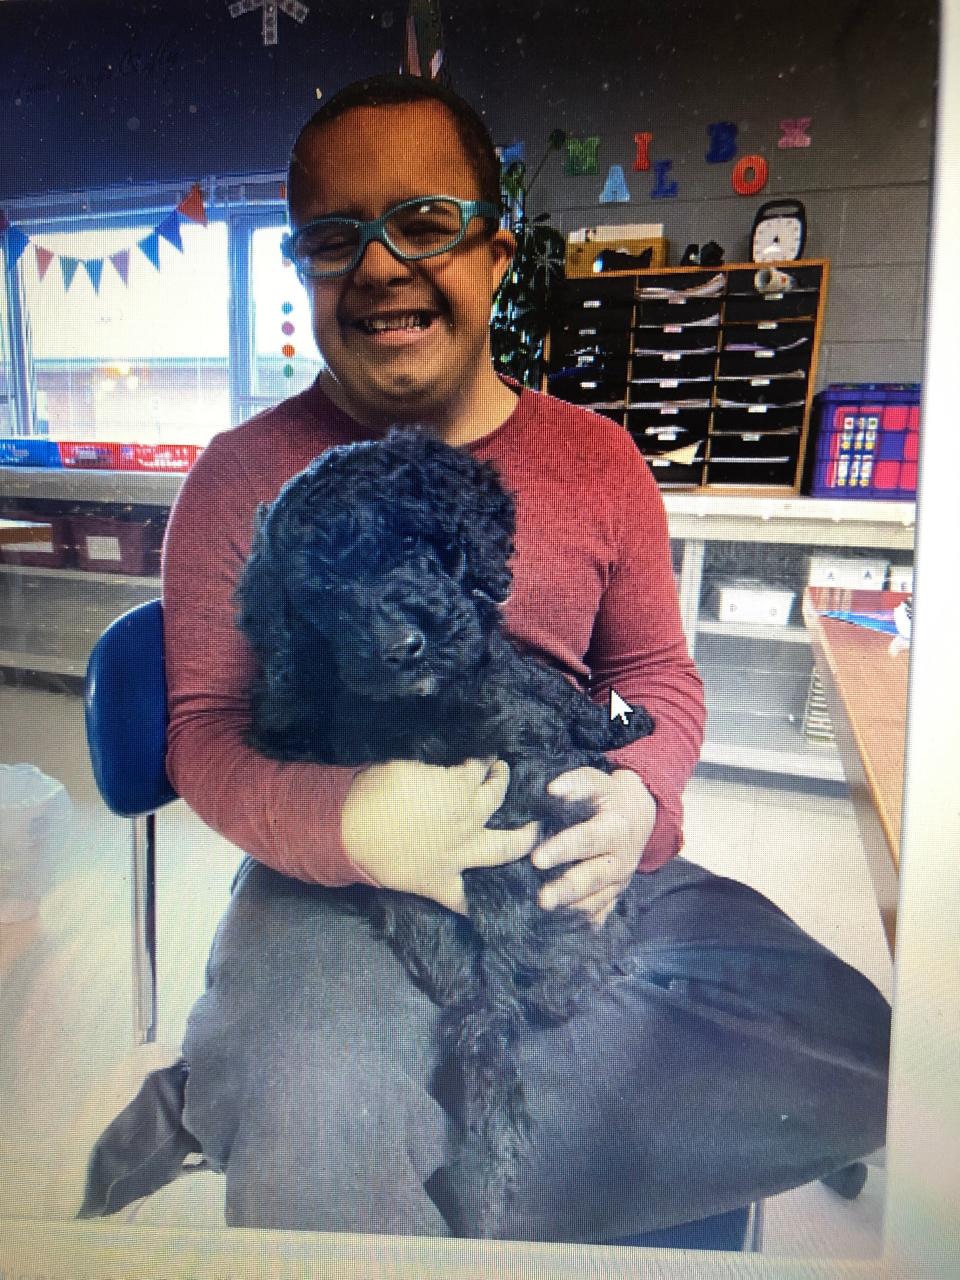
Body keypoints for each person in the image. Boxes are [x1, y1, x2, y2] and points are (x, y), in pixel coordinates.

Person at [157, 74, 890, 1242]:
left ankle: (383, 1143)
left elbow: (657, 674)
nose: (383, 266)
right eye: (337, 237)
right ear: (303, 270)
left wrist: (638, 801)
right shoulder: (238, 479)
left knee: (871, 1053)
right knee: (323, 1115)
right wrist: (353, 824)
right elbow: (201, 731)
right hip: (332, 880)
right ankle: (340, 1127)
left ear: (496, 255)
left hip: (559, 844)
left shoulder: (599, 461)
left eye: (427, 223)